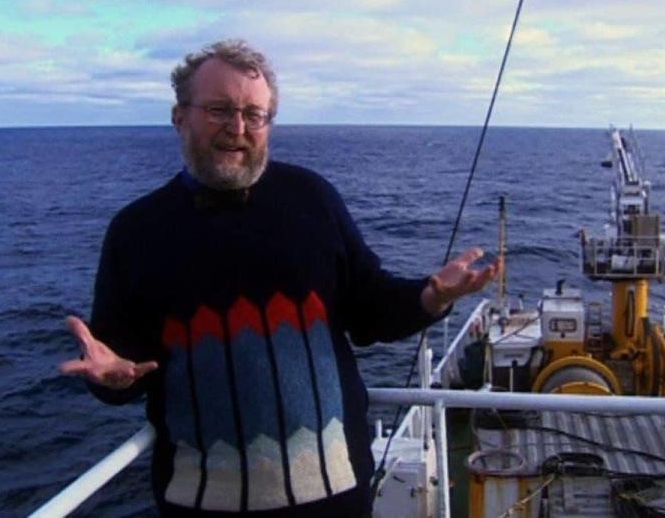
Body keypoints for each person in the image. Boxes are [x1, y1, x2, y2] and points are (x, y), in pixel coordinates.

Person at [61, 39, 500, 517]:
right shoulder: (136, 231)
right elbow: (120, 365)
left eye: (255, 114)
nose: (237, 128)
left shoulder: (313, 199)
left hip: (337, 500)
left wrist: (432, 294)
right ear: (179, 116)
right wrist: (111, 379)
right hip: (201, 507)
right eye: (219, 110)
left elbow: (369, 309)